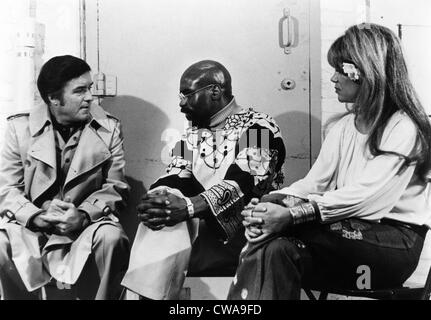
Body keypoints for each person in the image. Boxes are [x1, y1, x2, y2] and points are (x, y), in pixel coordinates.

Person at [228, 23, 431, 300]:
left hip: (394, 243)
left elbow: (367, 199)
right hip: (343, 234)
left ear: (364, 72)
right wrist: (272, 203)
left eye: (340, 70)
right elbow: (314, 183)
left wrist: (289, 216)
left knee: (280, 229)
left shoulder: (403, 127)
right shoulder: (344, 127)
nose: (333, 78)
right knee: (275, 247)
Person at [121, 60, 286, 299]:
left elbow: (242, 185)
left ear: (215, 91)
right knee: (161, 214)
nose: (180, 103)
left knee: (169, 223)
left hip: (245, 233)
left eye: (187, 94)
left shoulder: (258, 127)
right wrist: (158, 200)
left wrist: (186, 208)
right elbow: (177, 173)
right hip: (200, 231)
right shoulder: (193, 131)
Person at [0, 55, 130, 300]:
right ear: (53, 98)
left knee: (112, 238)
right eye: (80, 91)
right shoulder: (19, 129)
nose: (90, 97)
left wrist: (82, 216)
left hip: (87, 225)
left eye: (90, 88)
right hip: (34, 226)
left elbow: (117, 187)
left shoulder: (109, 128)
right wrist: (36, 217)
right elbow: (7, 189)